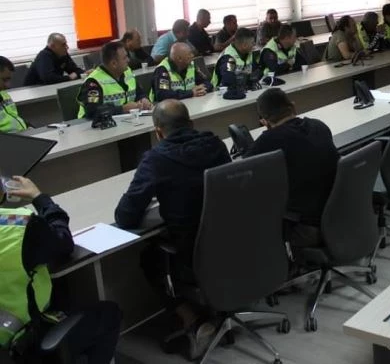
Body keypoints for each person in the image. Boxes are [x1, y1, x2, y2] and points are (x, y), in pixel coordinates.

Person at [114, 100, 230, 359]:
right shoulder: (215, 144)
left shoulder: (156, 159)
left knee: (151, 258)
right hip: (232, 241)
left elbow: (125, 216)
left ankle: (193, 322)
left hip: (193, 255)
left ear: (157, 131)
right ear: (191, 123)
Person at [0, 176, 121, 363]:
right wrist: (40, 198)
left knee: (62, 289)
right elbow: (63, 240)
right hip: (20, 343)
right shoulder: (17, 225)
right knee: (109, 314)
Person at [243, 89, 339, 248]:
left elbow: (243, 170)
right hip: (339, 214)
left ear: (264, 121)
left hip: (308, 229)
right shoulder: (319, 126)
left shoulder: (269, 140)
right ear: (293, 106)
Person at [77, 41, 151, 119]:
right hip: (92, 124)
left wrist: (143, 99)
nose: (128, 60)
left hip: (125, 120)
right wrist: (122, 109)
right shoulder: (93, 82)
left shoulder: (127, 72)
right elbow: (92, 111)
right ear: (114, 64)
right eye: (125, 58)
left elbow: (139, 92)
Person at [0, 56, 28, 132]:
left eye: (9, 79)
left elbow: (14, 117)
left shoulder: (4, 94)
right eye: (4, 80)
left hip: (22, 134)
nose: (8, 85)